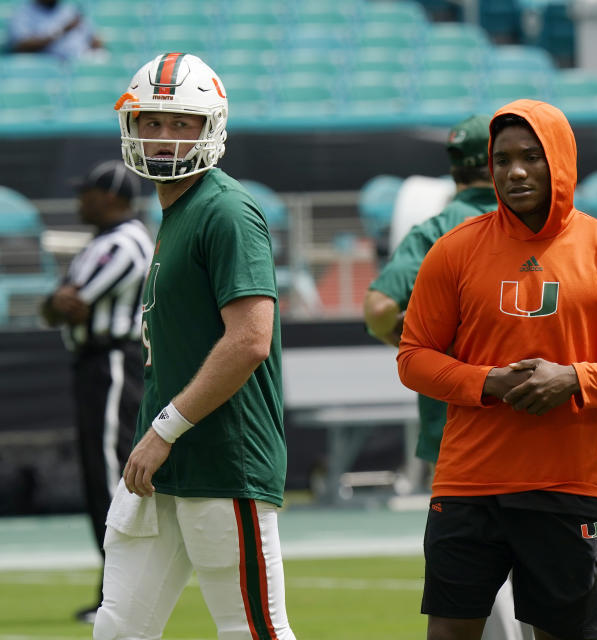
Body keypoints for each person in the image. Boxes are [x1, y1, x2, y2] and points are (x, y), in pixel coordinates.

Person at [397, 99, 597, 640]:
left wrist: (574, 380)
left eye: (531, 156)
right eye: (502, 159)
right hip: (467, 485)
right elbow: (413, 358)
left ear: (561, 160)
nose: (516, 171)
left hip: (564, 485)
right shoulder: (452, 251)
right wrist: (486, 383)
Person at [94, 52, 296, 639]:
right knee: (119, 628)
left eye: (181, 122)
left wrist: (163, 429)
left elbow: (251, 340)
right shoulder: (176, 210)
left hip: (219, 458)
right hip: (165, 459)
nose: (163, 138)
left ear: (211, 127)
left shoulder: (225, 210)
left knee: (252, 630)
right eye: (152, 121)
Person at [364, 114, 533, 640]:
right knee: (545, 563)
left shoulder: (439, 229)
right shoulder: (541, 221)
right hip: (541, 418)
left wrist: (415, 344)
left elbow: (378, 306)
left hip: (459, 422)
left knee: (475, 568)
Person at [39, 159, 152, 624]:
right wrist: (59, 303)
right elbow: (55, 308)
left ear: (112, 197)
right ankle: (113, 589)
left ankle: (120, 592)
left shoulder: (128, 242)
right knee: (96, 473)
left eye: (88, 191)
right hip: (91, 363)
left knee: (110, 472)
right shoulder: (98, 244)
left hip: (113, 362)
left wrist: (62, 303)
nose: (79, 199)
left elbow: (75, 301)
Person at [5, 0, 103, 60]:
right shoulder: (24, 13)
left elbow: (94, 39)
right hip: (47, 63)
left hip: (79, 60)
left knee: (101, 57)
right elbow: (21, 45)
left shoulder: (70, 9)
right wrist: (60, 32)